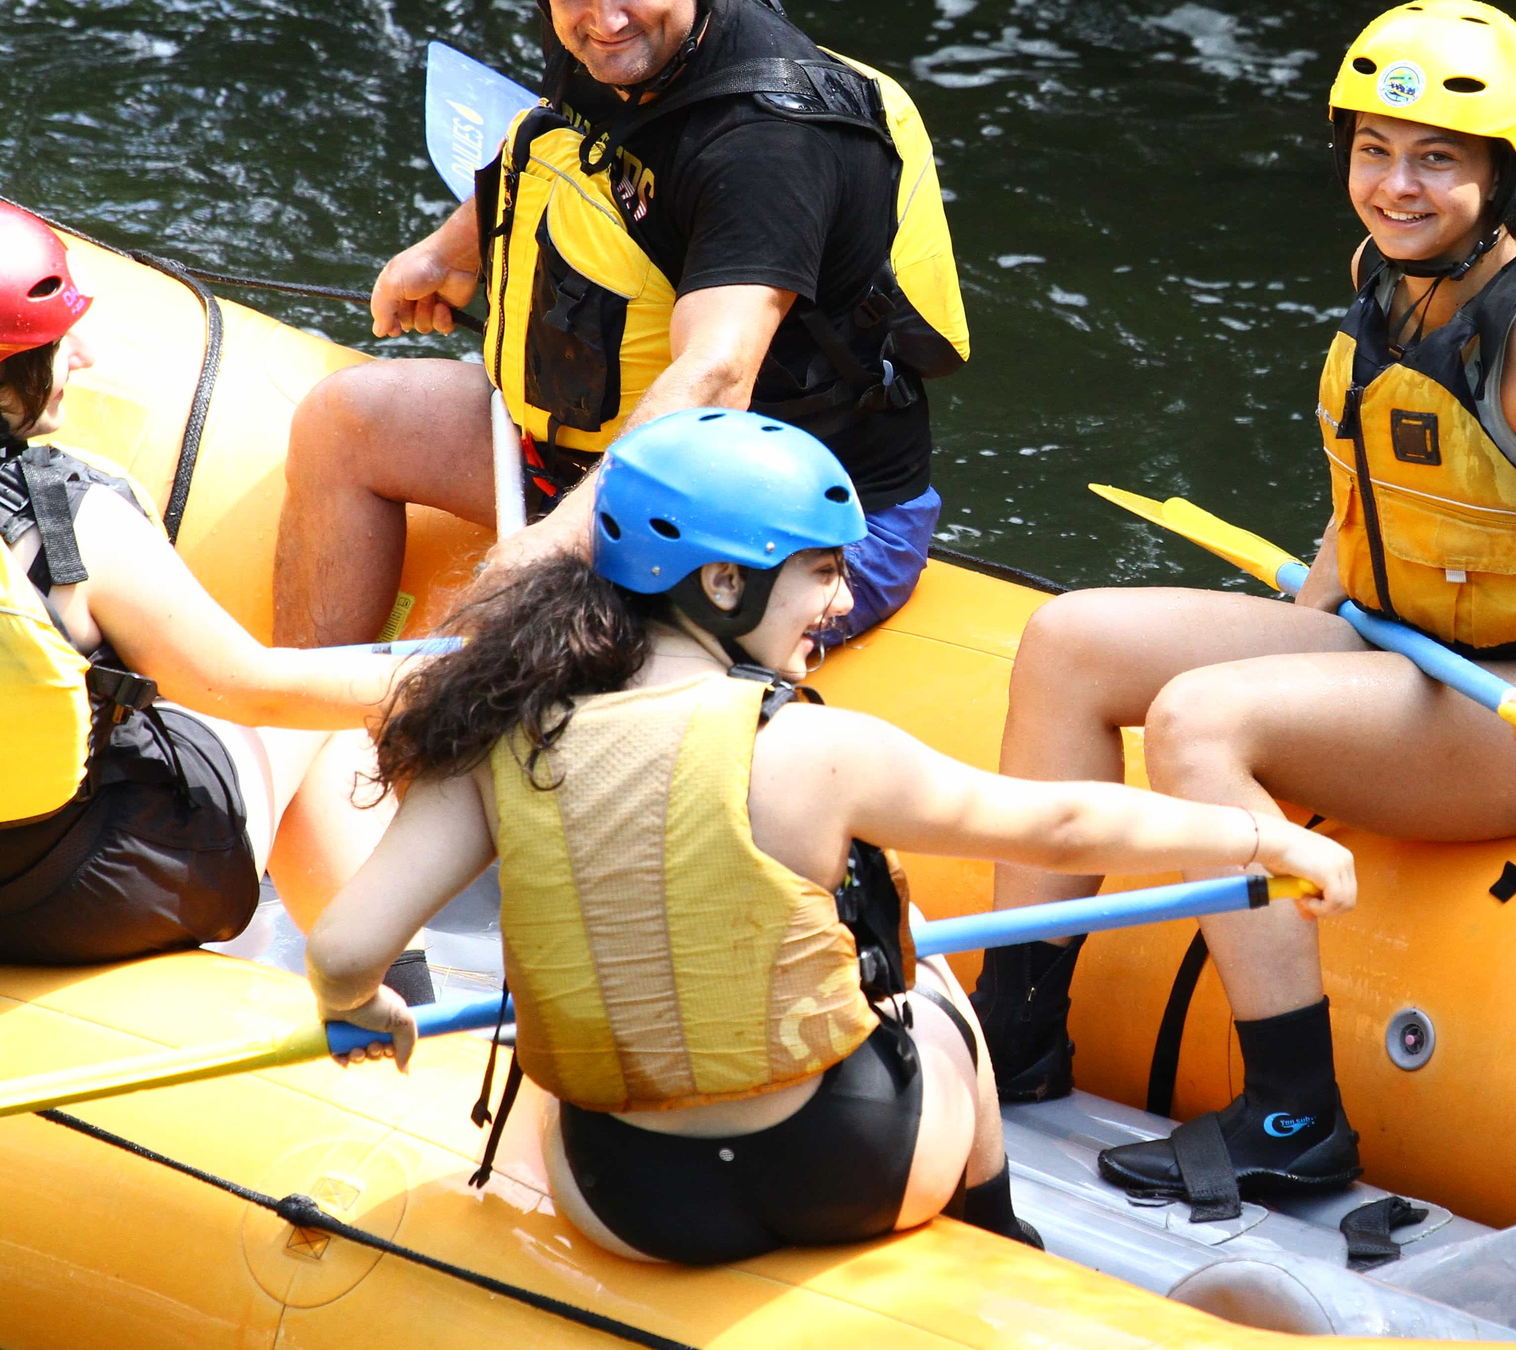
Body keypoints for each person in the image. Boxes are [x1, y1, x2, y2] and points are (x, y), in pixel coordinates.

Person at [302, 408, 1353, 1265]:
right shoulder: (815, 749)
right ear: (723, 585)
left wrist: (361, 1009)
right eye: (818, 573)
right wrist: (1263, 843)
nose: (838, 599)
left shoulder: (501, 731)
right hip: (844, 1166)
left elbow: (346, 949)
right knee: (928, 978)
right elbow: (1065, 815)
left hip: (631, 1200)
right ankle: (995, 1247)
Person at [971, 0, 1516, 1205]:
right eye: (1374, 151)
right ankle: (1014, 1032)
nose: (1397, 186)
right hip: (1403, 649)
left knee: (1203, 719)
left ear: (1504, 174)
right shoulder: (1387, 276)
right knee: (1068, 639)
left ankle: (1294, 1111)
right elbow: (1375, 498)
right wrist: (1303, 625)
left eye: (1437, 161)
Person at [272, 0, 969, 651]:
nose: (604, 17)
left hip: (779, 518)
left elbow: (716, 374)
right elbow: (556, 140)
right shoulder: (613, 43)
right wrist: (446, 250)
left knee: (511, 637)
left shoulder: (766, 144)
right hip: (595, 455)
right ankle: (293, 726)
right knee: (347, 418)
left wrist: (558, 542)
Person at [0, 203, 425, 990]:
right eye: (57, 345)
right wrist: (450, 672)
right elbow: (255, 689)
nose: (85, 356)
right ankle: (398, 994)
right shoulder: (74, 522)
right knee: (324, 720)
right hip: (67, 888)